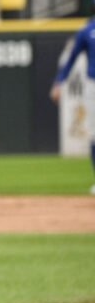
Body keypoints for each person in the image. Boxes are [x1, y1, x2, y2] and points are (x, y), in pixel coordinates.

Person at [49, 12, 95, 194]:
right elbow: (71, 58)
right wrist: (59, 82)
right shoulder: (86, 31)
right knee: (94, 133)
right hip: (93, 85)